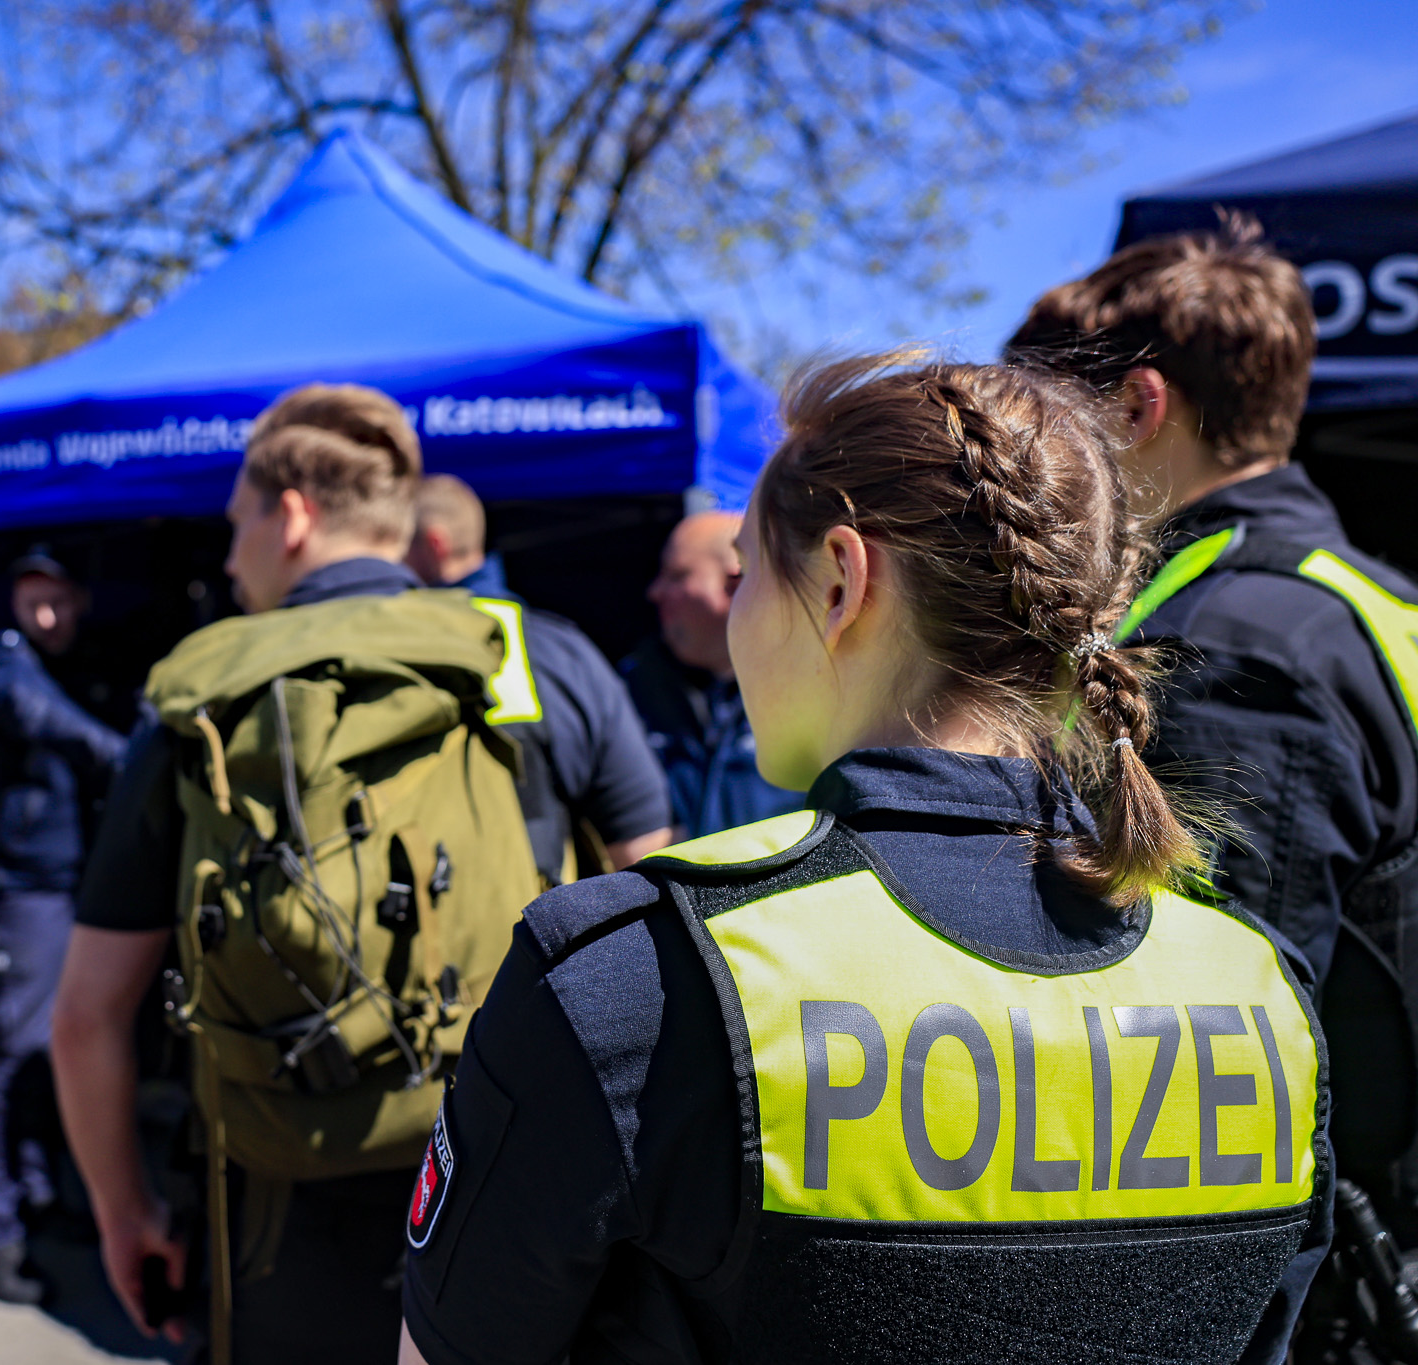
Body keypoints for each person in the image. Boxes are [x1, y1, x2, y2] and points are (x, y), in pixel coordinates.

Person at [400, 355, 1330, 1365]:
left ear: (841, 580)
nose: (740, 615)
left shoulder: (635, 977)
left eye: (752, 570)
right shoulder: (1261, 992)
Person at [54, 385, 538, 1365]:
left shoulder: (197, 695)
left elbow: (86, 1016)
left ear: (292, 515)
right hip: (501, 1174)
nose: (229, 560)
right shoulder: (523, 664)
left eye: (235, 527)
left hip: (273, 1200)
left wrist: (124, 1212)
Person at [1009, 223, 1418, 1350]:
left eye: (1056, 424)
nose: (1045, 465)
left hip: (1316, 1282)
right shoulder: (1363, 595)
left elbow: (1215, 1047)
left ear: (1139, 408)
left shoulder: (1234, 641)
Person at [0, 550, 127, 1302]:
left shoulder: (75, 661)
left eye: (60, 600)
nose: (48, 616)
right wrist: (131, 760)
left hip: (63, 883)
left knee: (48, 1054)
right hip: (24, 889)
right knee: (11, 1055)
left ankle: (38, 1194)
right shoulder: (5, 664)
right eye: (35, 601)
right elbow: (44, 720)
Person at [404, 474, 672, 882]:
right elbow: (641, 845)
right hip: (539, 929)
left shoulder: (385, 647)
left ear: (434, 545)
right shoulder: (560, 649)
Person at [623, 511, 804, 836]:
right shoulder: (633, 687)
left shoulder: (814, 690)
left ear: (737, 583)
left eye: (677, 576)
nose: (655, 592)